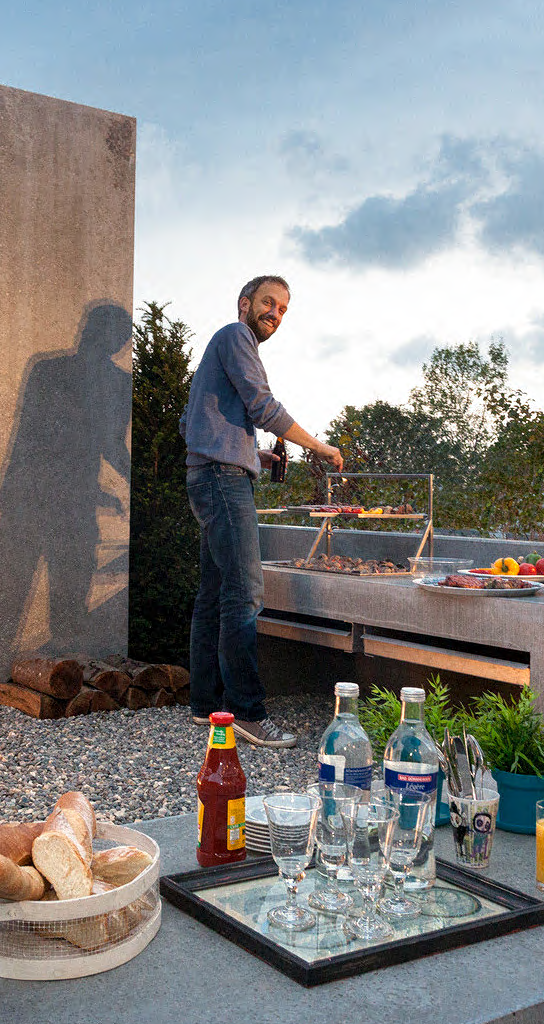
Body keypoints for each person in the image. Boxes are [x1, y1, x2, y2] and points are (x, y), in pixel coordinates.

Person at [180, 275, 343, 748]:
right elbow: (263, 406)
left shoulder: (220, 350)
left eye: (284, 309)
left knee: (215, 591)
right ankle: (247, 713)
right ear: (245, 303)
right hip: (221, 482)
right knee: (246, 594)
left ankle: (205, 705)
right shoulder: (236, 336)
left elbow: (193, 422)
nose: (275, 313)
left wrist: (258, 457)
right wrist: (318, 445)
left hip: (213, 474)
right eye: (269, 303)